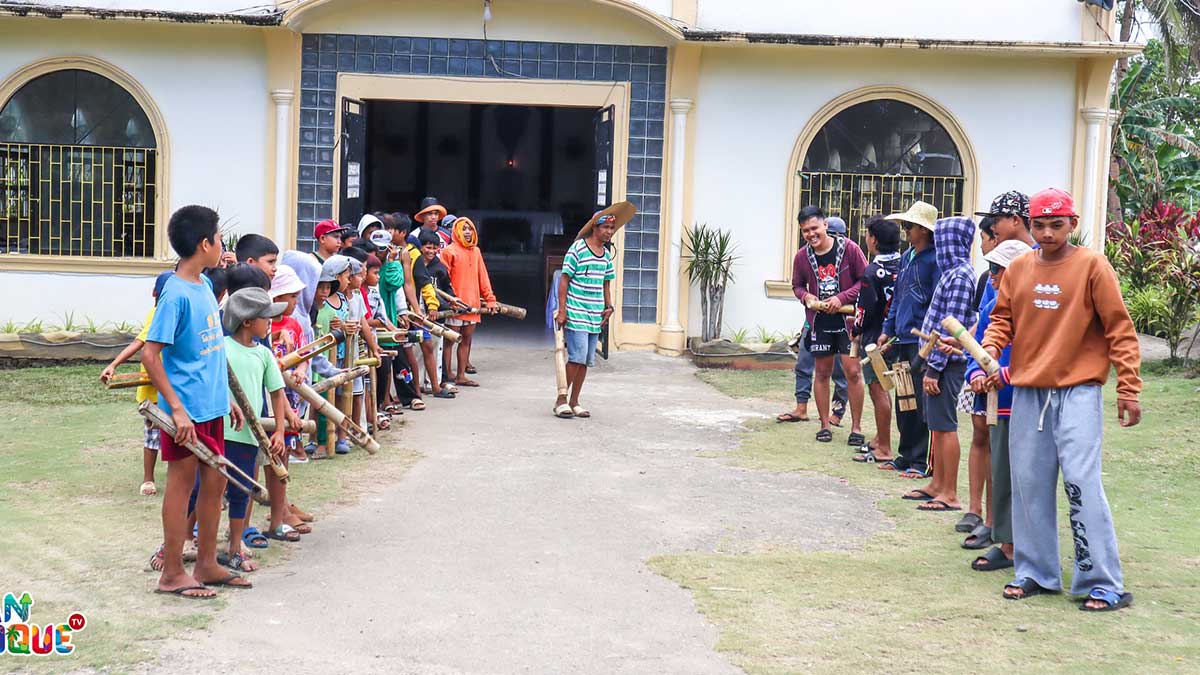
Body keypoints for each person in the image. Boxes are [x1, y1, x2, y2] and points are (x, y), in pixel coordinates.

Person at [982, 188, 1141, 611]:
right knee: (1029, 484)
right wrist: (990, 351)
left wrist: (1128, 387)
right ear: (1029, 226)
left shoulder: (1092, 266)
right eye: (1040, 224)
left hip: (1079, 390)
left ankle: (1101, 581)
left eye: (1057, 224)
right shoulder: (1017, 269)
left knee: (1081, 483)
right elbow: (1002, 320)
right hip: (1029, 392)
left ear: (1072, 224)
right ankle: (1035, 572)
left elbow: (1119, 329)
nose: (1048, 232)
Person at [142, 205, 248, 597]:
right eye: (219, 238)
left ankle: (206, 563)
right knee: (181, 486)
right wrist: (178, 409)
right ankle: (172, 572)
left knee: (215, 483)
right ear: (204, 244)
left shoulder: (204, 285)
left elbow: (212, 349)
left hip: (212, 406)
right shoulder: (174, 294)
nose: (222, 245)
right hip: (185, 413)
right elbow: (150, 356)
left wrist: (226, 398)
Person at [958, 238, 1032, 571]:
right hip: (999, 402)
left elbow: (1041, 357)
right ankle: (1008, 545)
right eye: (991, 269)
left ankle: (1029, 546)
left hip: (1030, 401)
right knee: (1002, 477)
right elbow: (978, 346)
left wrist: (1005, 373)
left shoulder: (1036, 309)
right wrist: (976, 372)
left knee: (1027, 478)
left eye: (999, 270)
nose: (992, 277)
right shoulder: (993, 308)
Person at [905, 216, 976, 513]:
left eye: (941, 239)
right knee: (936, 425)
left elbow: (952, 327)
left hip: (948, 363)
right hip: (938, 360)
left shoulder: (959, 277)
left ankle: (950, 493)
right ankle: (937, 484)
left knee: (945, 427)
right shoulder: (951, 273)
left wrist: (934, 367)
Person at [216, 287, 291, 567]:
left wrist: (280, 431)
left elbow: (276, 393)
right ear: (247, 321)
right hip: (218, 432)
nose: (270, 322)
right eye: (265, 317)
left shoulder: (264, 355)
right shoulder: (221, 349)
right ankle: (199, 543)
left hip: (248, 436)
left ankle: (234, 548)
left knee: (242, 491)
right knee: (207, 491)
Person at [790, 206, 868, 445]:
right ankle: (824, 426)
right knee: (822, 373)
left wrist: (841, 298)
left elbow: (865, 281)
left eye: (814, 228)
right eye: (805, 231)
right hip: (820, 322)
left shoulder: (850, 249)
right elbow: (797, 285)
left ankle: (856, 428)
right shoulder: (802, 257)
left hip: (848, 323)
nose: (811, 234)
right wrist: (807, 298)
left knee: (853, 372)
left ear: (825, 225)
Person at [877, 201, 940, 479]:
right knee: (904, 399)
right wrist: (887, 329)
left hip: (921, 340)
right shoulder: (907, 257)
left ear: (924, 231)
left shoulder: (934, 261)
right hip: (901, 337)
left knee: (917, 401)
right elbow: (898, 299)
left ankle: (919, 460)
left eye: (910, 226)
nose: (906, 230)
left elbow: (937, 303)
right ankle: (905, 454)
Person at [99, 270, 175, 496]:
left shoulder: (180, 312)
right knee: (152, 434)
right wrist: (114, 364)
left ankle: (176, 476)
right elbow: (139, 342)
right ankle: (148, 478)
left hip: (174, 386)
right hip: (152, 390)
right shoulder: (156, 313)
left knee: (175, 434)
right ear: (155, 295)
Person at [554, 203, 631, 418]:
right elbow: (564, 279)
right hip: (576, 309)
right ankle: (561, 399)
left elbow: (606, 282)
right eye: (605, 227)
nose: (608, 232)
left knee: (586, 360)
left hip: (595, 313)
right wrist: (562, 310)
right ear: (594, 228)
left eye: (611, 229)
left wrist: (609, 306)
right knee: (576, 357)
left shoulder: (606, 255)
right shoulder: (577, 249)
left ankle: (575, 400)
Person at [850, 216, 900, 464]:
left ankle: (885, 447)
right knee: (890, 388)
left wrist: (856, 329)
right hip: (897, 335)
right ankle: (881, 439)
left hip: (876, 337)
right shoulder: (904, 263)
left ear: (873, 240)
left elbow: (866, 308)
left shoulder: (872, 272)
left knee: (878, 389)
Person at [440, 217, 499, 387]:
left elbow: (483, 277)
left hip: (472, 304)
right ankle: (446, 374)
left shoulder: (476, 251)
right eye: (463, 229)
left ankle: (460, 375)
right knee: (450, 340)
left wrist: (490, 299)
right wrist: (449, 299)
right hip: (455, 305)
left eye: (470, 229)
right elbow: (445, 279)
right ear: (456, 231)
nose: (467, 232)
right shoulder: (449, 251)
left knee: (466, 339)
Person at [312, 255, 356, 457]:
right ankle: (315, 440)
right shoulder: (311, 309)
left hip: (328, 360)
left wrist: (341, 329)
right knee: (315, 401)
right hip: (313, 360)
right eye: (320, 287)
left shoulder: (338, 305)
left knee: (327, 400)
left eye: (327, 288)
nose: (324, 292)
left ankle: (329, 441)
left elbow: (336, 331)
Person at [412, 229, 459, 399]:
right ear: (420, 247)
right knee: (417, 350)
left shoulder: (439, 268)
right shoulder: (412, 264)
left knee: (435, 348)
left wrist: (452, 300)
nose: (431, 251)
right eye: (427, 247)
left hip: (436, 315)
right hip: (418, 314)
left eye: (434, 248)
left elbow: (447, 288)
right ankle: (418, 384)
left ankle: (435, 383)